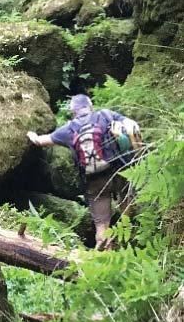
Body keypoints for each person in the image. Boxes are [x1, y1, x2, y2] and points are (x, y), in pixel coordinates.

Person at [27, 93, 140, 249]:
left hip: (94, 182)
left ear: (74, 112)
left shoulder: (69, 129)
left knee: (101, 224)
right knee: (127, 204)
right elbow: (131, 125)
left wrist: (31, 134)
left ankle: (104, 250)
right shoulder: (105, 115)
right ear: (90, 106)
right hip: (117, 171)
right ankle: (126, 238)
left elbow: (41, 141)